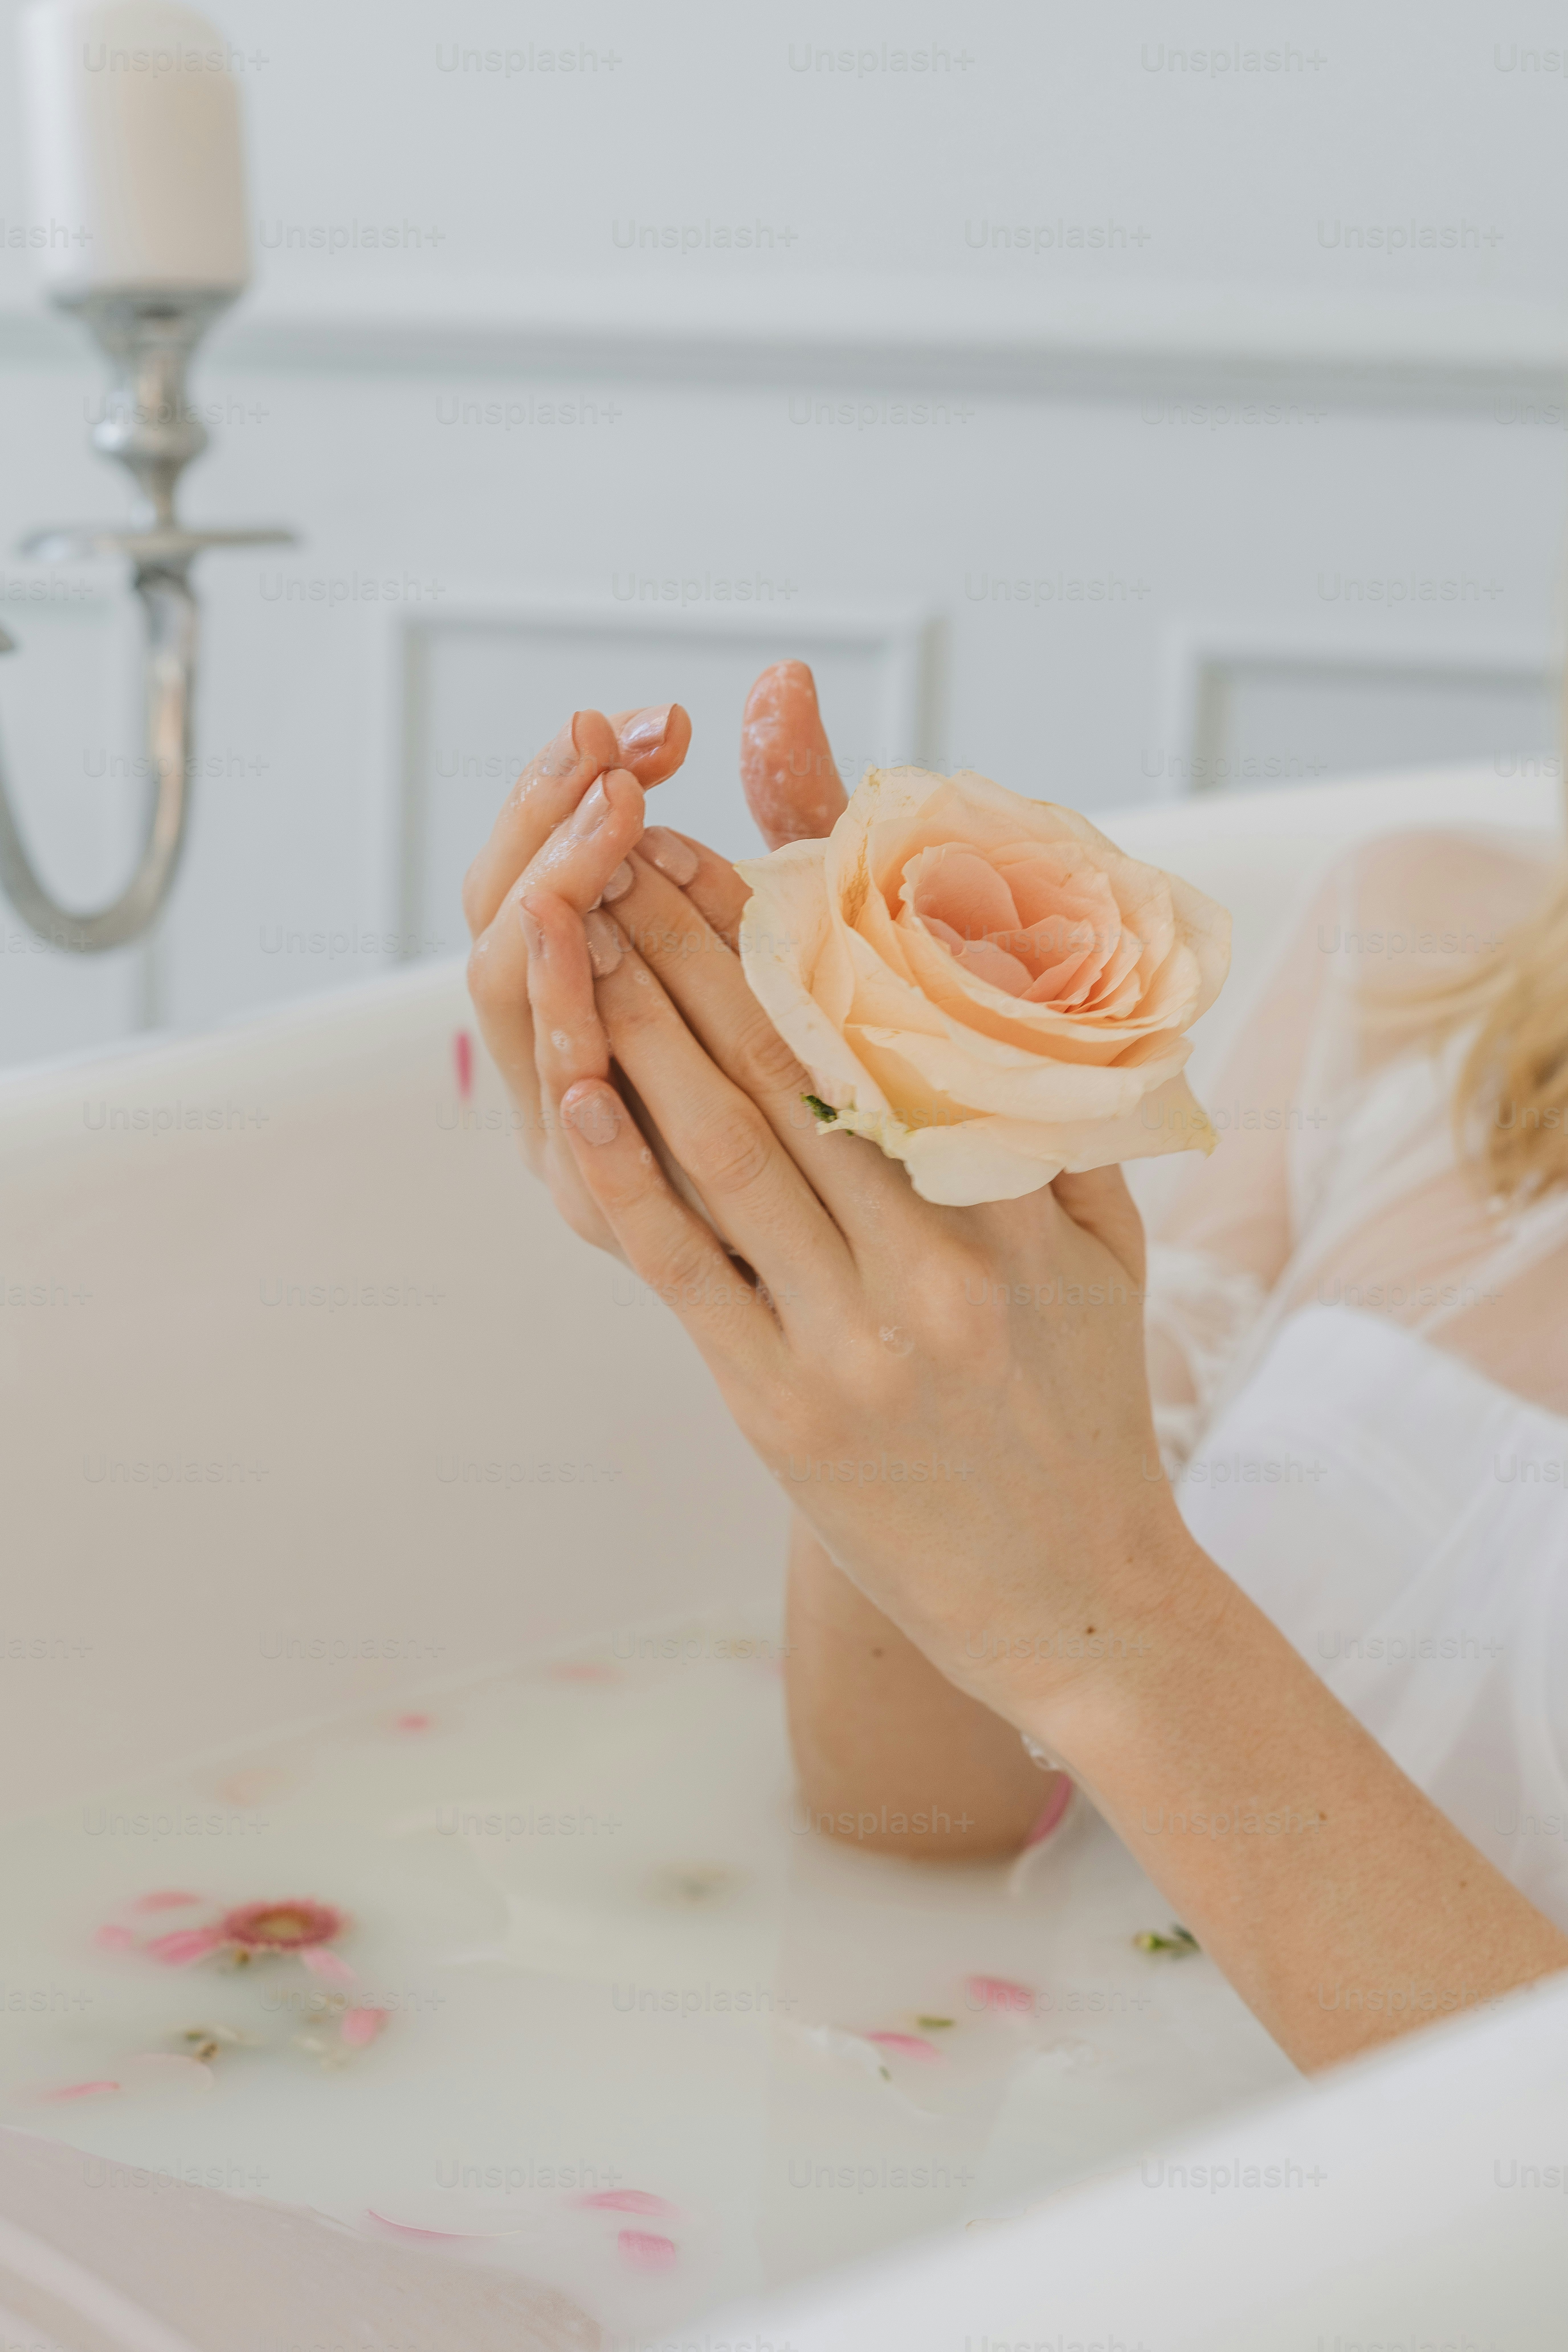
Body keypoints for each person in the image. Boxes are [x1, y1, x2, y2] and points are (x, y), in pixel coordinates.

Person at [463, 663, 1568, 2075]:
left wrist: (1109, 1615)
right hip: (1032, 2158)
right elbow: (926, 1828)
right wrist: (850, 1233)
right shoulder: (1416, 957)